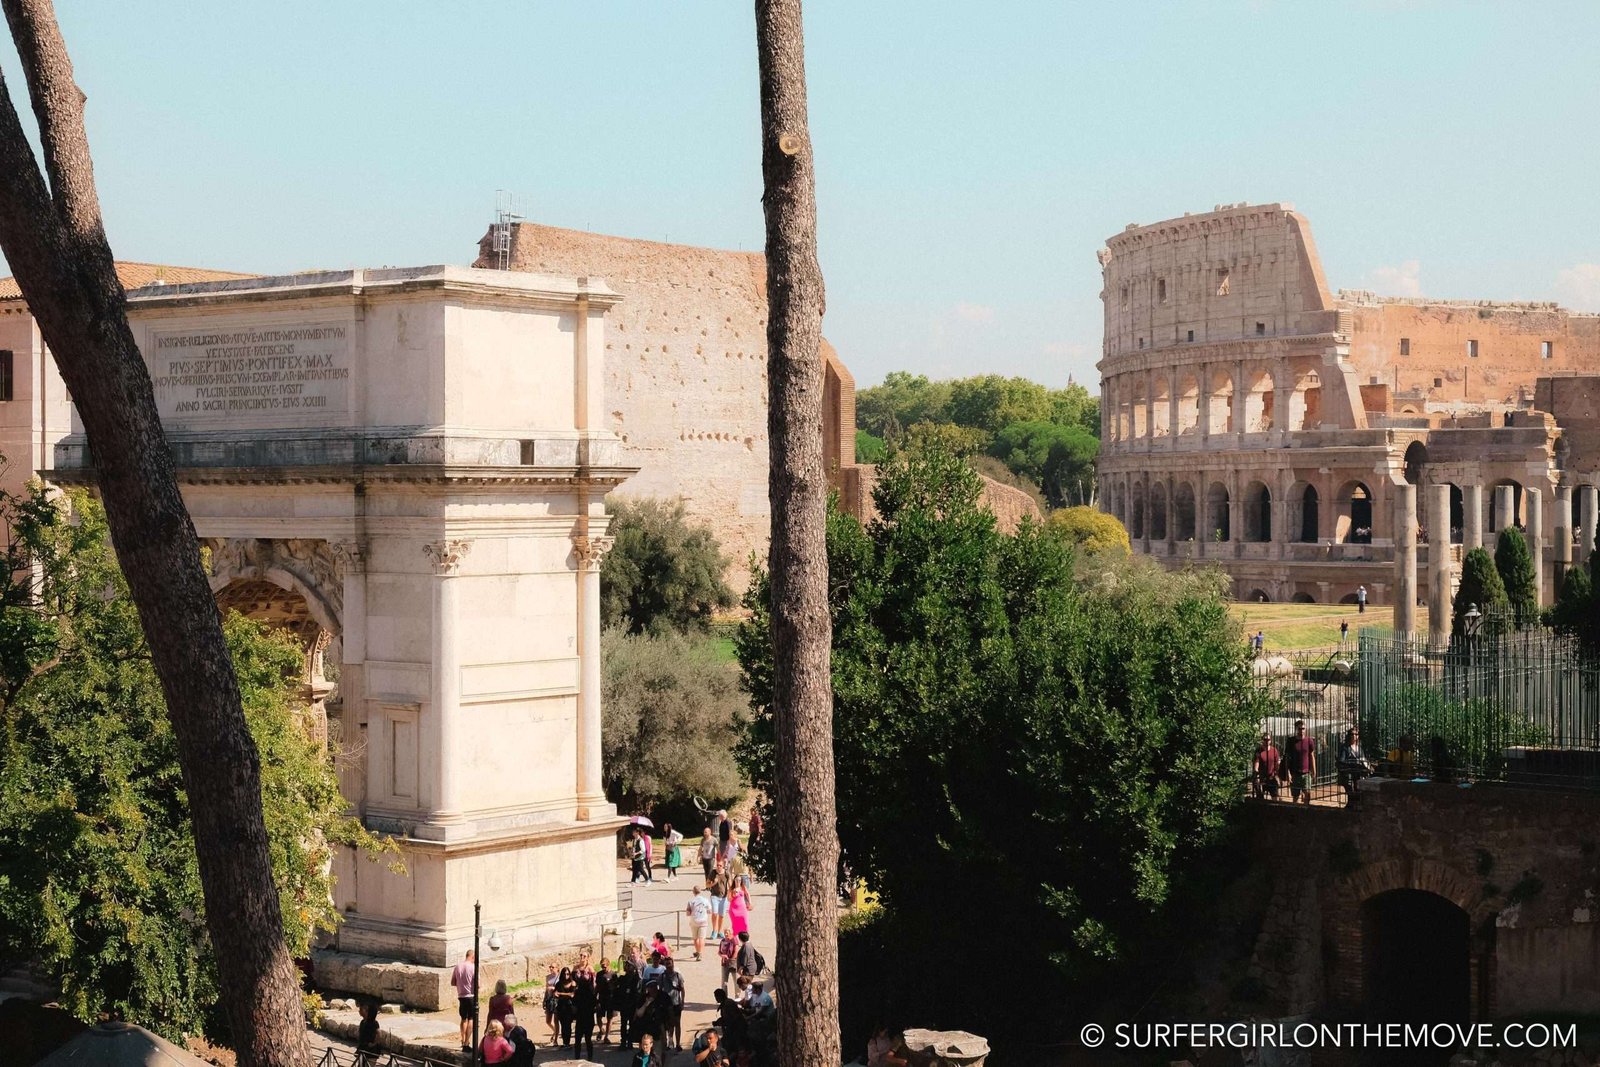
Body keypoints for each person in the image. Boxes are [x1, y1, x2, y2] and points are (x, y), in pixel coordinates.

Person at [1338, 726, 1373, 808]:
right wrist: (1354, 761)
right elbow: (1342, 760)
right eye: (1352, 734)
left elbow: (1363, 758)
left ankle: (1355, 806)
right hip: (1349, 772)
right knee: (1351, 791)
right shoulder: (1345, 748)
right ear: (1349, 735)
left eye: (1356, 734)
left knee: (1359, 790)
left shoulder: (1359, 748)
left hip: (1359, 772)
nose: (1354, 736)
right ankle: (1351, 806)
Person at [451, 948, 477, 1053]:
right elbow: (478, 985)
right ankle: (467, 1043)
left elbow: (453, 982)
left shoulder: (457, 967)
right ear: (472, 957)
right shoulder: (473, 967)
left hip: (461, 996)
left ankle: (462, 1040)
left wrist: (461, 984)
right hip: (471, 996)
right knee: (471, 1019)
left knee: (463, 1019)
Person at [659, 955, 686, 1051]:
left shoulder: (678, 976)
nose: (668, 966)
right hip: (666, 1004)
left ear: (673, 964)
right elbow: (660, 989)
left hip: (676, 1003)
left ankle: (678, 1044)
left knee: (677, 1024)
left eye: (669, 963)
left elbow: (682, 989)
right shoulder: (662, 977)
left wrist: (682, 1002)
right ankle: (669, 1042)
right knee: (668, 1024)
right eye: (667, 964)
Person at [1288, 719, 1317, 806]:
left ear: (1305, 729)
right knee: (1295, 797)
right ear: (1296, 729)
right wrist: (1288, 773)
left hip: (1306, 773)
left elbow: (1312, 756)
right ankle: (1295, 812)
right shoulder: (1291, 741)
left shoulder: (1309, 741)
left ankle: (1306, 811)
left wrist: (1314, 771)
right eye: (1299, 728)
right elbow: (1287, 758)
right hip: (1295, 773)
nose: (1301, 730)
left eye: (1303, 728)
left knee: (1307, 795)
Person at [574, 958, 598, 1061]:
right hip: (588, 1018)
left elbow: (574, 1005)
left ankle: (577, 1058)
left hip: (581, 1018)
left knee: (578, 1040)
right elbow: (595, 1006)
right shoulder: (591, 994)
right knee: (588, 1039)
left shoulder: (578, 993)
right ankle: (590, 1058)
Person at [617, 958, 641, 1049]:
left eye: (628, 965)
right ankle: (623, 1041)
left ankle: (630, 1041)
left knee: (632, 1023)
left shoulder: (636, 979)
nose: (626, 967)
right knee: (623, 1023)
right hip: (624, 1004)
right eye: (626, 965)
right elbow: (617, 989)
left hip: (632, 1004)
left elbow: (637, 992)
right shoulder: (622, 978)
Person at [686, 884, 712, 961]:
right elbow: (709, 911)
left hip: (694, 921)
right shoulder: (705, 900)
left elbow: (688, 913)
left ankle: (698, 951)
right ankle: (700, 953)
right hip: (703, 921)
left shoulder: (691, 901)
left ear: (693, 892)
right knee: (702, 938)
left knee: (695, 938)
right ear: (700, 891)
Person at [553, 966, 577, 1048]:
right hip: (561, 1006)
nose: (566, 976)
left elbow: (572, 995)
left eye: (567, 974)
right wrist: (557, 994)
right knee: (563, 1025)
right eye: (564, 974)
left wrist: (560, 994)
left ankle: (567, 1042)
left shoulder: (573, 983)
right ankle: (565, 1042)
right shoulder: (559, 984)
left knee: (568, 1025)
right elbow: (555, 993)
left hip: (570, 1007)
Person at [1253, 733, 1281, 800]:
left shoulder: (1274, 750)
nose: (1267, 741)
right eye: (1265, 739)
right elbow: (1257, 762)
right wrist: (1256, 772)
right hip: (1262, 777)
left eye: (1268, 739)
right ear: (1262, 740)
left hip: (1272, 777)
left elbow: (1277, 763)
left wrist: (1277, 775)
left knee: (1274, 797)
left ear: (1270, 740)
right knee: (1260, 798)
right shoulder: (1259, 751)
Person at [596, 956, 616, 1044]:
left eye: (604, 966)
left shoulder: (613, 974)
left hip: (610, 999)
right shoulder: (599, 974)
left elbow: (616, 987)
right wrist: (595, 997)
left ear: (608, 964)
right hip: (601, 998)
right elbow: (597, 986)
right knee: (598, 1017)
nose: (603, 968)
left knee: (610, 1018)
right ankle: (601, 1029)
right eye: (602, 966)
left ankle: (607, 1037)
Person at [355, 1001, 381, 1065]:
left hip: (371, 1051)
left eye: (361, 1009)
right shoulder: (362, 1022)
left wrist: (373, 1044)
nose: (359, 1011)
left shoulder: (374, 1023)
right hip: (363, 1049)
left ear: (367, 1012)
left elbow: (379, 1034)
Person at [717, 919, 740, 992]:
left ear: (730, 933)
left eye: (727, 933)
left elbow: (736, 951)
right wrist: (722, 956)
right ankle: (724, 997)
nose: (726, 934)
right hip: (724, 963)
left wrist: (731, 960)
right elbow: (719, 952)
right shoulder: (723, 941)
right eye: (725, 933)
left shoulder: (734, 940)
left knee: (736, 981)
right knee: (724, 982)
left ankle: (737, 996)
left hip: (733, 963)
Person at [709, 870, 730, 941]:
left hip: (724, 897)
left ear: (723, 866)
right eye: (717, 865)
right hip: (714, 896)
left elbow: (730, 884)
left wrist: (731, 893)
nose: (718, 866)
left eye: (720, 865)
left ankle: (719, 931)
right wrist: (714, 883)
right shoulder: (713, 873)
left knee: (721, 915)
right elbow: (707, 885)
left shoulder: (726, 873)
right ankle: (714, 931)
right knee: (714, 914)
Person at [543, 963, 560, 1046]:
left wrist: (554, 988)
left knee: (556, 1020)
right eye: (550, 967)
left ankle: (555, 1039)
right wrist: (544, 1000)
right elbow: (546, 990)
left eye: (553, 967)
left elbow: (561, 988)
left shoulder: (560, 977)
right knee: (548, 1021)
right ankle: (555, 1031)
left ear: (557, 968)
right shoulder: (548, 977)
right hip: (549, 1000)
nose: (551, 968)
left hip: (557, 1000)